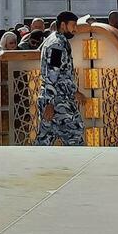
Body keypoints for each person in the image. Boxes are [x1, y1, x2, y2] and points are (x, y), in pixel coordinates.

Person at [35, 11, 87, 147]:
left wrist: (74, 92)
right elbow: (52, 75)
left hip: (58, 99)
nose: (75, 29)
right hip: (58, 102)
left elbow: (62, 74)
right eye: (73, 25)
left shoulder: (57, 42)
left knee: (45, 139)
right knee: (75, 134)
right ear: (63, 25)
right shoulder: (57, 46)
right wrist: (49, 103)